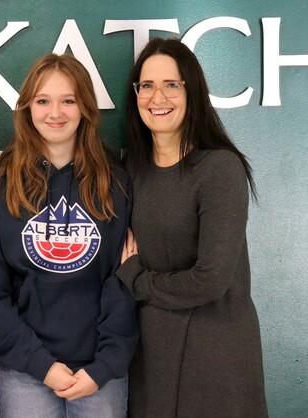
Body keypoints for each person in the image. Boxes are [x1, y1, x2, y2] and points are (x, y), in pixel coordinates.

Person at [0, 53, 139, 418]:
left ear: (84, 108)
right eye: (43, 101)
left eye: (68, 100)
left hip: (100, 371)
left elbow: (122, 282)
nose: (56, 112)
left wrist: (104, 366)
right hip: (25, 369)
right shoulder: (1, 186)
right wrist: (42, 365)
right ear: (27, 109)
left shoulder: (116, 184)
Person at [116, 37, 268, 417]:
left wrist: (137, 279)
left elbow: (211, 279)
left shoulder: (219, 169)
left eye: (172, 84)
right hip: (149, 352)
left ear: (192, 91)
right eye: (146, 85)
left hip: (215, 354)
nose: (157, 97)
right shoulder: (128, 171)